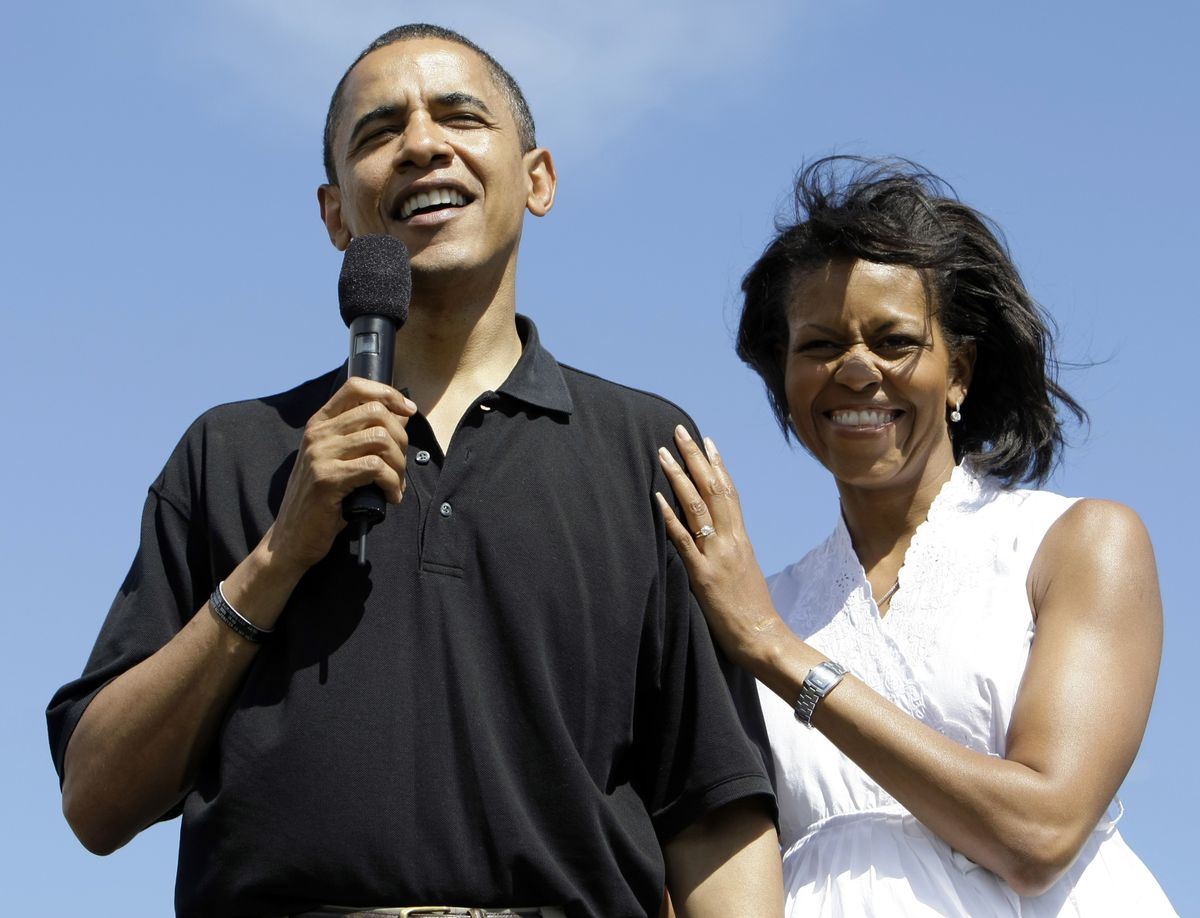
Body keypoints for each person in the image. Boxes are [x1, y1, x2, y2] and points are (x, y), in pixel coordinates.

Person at [47, 24, 782, 918]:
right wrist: (278, 556)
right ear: (332, 213)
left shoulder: (649, 450)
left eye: (461, 117)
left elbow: (714, 815)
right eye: (379, 131)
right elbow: (95, 800)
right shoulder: (230, 451)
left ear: (538, 178)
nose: (423, 144)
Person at [655, 156, 1177, 915]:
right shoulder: (757, 609)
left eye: (895, 340)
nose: (856, 369)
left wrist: (778, 651)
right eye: (819, 345)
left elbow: (1038, 835)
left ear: (959, 370)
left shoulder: (1076, 543)